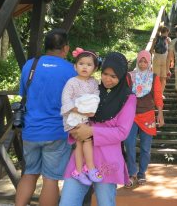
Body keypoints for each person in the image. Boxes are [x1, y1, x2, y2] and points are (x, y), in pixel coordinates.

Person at [59, 52, 136, 206]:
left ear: (121, 76)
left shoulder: (128, 98)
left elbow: (122, 132)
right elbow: (77, 113)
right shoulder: (92, 90)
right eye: (105, 74)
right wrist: (75, 131)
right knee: (67, 202)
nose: (108, 79)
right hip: (80, 159)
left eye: (114, 76)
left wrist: (92, 131)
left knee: (105, 203)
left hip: (107, 159)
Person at [15, 29, 76, 206]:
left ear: (46, 46)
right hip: (56, 132)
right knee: (50, 180)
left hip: (31, 130)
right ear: (65, 48)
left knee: (29, 173)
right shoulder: (70, 70)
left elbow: (24, 94)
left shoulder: (30, 66)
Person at [61, 47, 102, 186]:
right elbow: (65, 100)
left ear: (95, 68)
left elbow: (96, 96)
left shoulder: (94, 82)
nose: (85, 67)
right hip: (73, 117)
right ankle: (90, 168)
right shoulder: (72, 82)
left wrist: (91, 107)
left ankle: (78, 171)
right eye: (81, 63)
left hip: (85, 116)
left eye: (89, 65)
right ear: (75, 66)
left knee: (79, 143)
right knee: (87, 140)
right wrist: (82, 110)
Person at [124, 50, 164, 188]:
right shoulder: (130, 76)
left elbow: (158, 96)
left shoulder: (154, 77)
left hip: (148, 115)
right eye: (140, 60)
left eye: (145, 61)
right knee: (129, 144)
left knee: (146, 148)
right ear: (137, 61)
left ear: (149, 62)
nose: (142, 63)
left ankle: (142, 173)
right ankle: (132, 173)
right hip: (130, 115)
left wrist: (160, 113)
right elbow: (124, 94)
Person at [151, 25, 172, 95]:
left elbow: (151, 50)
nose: (167, 34)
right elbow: (171, 51)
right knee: (163, 78)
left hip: (157, 58)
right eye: (167, 32)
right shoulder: (168, 40)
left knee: (157, 78)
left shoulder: (156, 39)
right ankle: (160, 93)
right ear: (166, 32)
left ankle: (157, 93)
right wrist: (171, 61)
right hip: (164, 59)